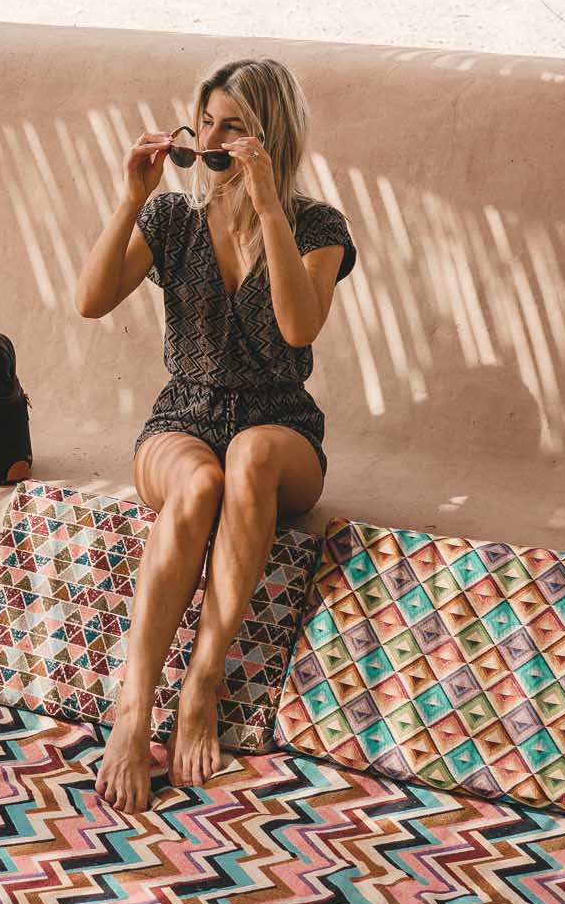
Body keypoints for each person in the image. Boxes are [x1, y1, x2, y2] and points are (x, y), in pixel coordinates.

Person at [74, 56, 357, 812]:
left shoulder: (318, 227)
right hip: (184, 417)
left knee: (250, 454)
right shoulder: (171, 219)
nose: (212, 138)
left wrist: (268, 210)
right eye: (205, 123)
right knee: (200, 484)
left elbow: (299, 329)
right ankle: (134, 710)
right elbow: (91, 300)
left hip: (279, 424)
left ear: (272, 136)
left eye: (233, 126)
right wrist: (130, 198)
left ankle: (204, 680)